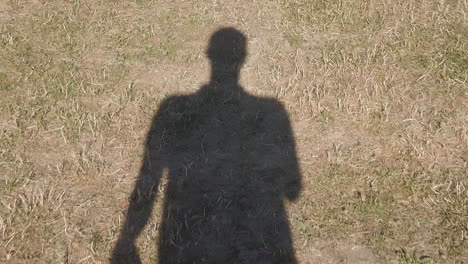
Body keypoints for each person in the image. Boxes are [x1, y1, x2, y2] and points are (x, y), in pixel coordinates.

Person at [111, 27, 302, 264]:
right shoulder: (272, 111)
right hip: (252, 241)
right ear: (243, 58)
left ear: (208, 55)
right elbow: (293, 189)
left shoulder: (173, 107)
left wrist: (127, 237)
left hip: (186, 243)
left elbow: (148, 178)